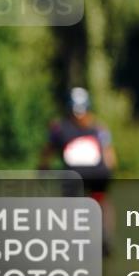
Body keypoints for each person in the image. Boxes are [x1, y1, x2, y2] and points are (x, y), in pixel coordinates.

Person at [38, 87, 117, 254]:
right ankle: (104, 237)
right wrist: (109, 172)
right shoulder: (99, 127)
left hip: (75, 174)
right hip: (99, 173)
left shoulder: (59, 128)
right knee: (102, 202)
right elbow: (110, 156)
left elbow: (47, 152)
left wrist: (43, 168)